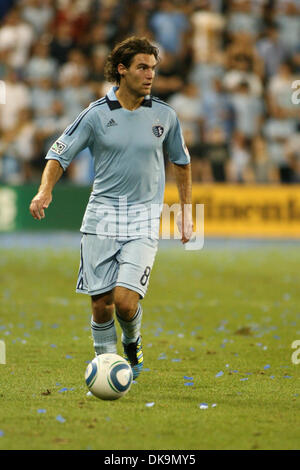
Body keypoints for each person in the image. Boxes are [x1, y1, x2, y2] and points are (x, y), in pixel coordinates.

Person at [29, 36, 193, 380]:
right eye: (142, 67)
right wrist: (45, 191)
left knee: (125, 302)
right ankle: (106, 365)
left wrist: (186, 212)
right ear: (122, 70)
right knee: (100, 304)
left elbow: (181, 161)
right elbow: (59, 154)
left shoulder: (165, 115)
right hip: (101, 217)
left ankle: (132, 341)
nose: (150, 75)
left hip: (143, 218)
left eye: (153, 68)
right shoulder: (95, 114)